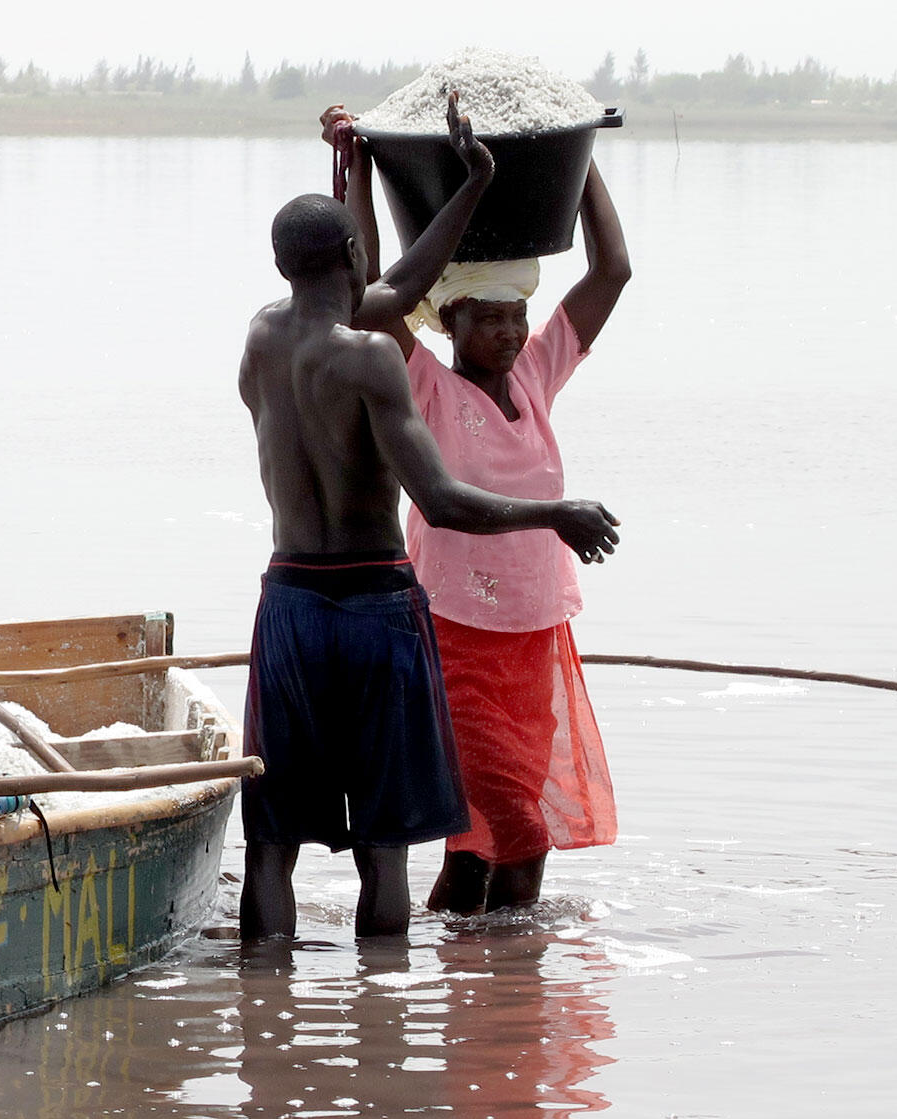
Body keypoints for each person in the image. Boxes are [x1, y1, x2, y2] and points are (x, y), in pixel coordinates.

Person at [236, 96, 621, 941]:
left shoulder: (260, 343)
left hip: (291, 601)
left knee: (271, 839)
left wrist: (367, 167)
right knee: (385, 846)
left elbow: (392, 281)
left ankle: (268, 1030)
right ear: (348, 258)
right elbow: (441, 501)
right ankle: (385, 1024)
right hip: (374, 602)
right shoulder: (374, 359)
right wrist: (556, 512)